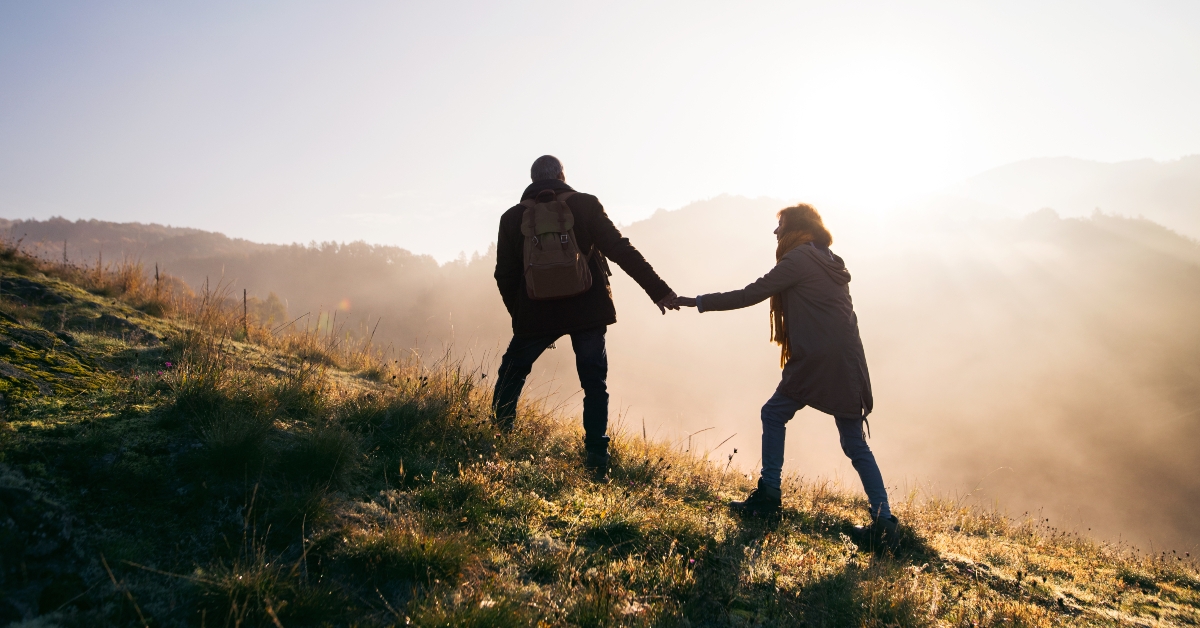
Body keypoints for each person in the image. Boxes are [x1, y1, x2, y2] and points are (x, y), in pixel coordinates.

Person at [676, 204, 898, 545]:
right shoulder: (829, 258)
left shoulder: (798, 260)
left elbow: (752, 293)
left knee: (774, 413)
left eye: (779, 225)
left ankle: (769, 496)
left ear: (794, 226)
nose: (775, 232)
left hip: (818, 359)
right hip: (848, 358)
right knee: (853, 440)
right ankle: (884, 522)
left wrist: (699, 301)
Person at [493, 155, 678, 477]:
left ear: (533, 179)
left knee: (513, 371)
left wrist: (520, 318)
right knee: (594, 382)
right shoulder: (585, 204)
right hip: (588, 307)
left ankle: (497, 438)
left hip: (536, 311)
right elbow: (620, 249)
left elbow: (505, 275)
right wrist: (659, 290)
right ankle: (596, 456)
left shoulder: (512, 217)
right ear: (562, 176)